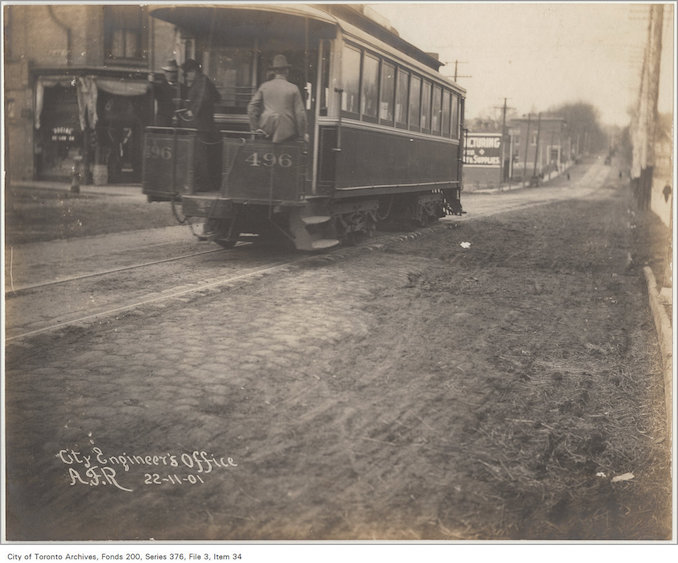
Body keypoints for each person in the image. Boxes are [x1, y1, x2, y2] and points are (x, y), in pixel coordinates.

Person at [179, 58, 221, 191]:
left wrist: (193, 111)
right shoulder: (202, 81)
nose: (186, 77)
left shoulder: (202, 81)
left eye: (187, 73)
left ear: (193, 71)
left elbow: (203, 97)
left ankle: (204, 185)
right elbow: (216, 97)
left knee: (200, 157)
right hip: (202, 126)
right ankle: (203, 184)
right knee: (200, 157)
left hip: (200, 126)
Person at [247, 54, 308, 143]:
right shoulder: (293, 88)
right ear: (287, 71)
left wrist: (255, 129)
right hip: (287, 132)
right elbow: (300, 114)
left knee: (264, 155)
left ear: (274, 71)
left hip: (265, 130)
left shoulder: (265, 86)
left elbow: (251, 108)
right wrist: (302, 135)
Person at [148, 59, 183, 126]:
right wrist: (150, 82)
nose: (171, 74)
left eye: (173, 72)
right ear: (165, 73)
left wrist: (182, 102)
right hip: (163, 122)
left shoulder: (183, 88)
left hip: (178, 123)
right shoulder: (159, 87)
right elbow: (150, 93)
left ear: (177, 73)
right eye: (168, 72)